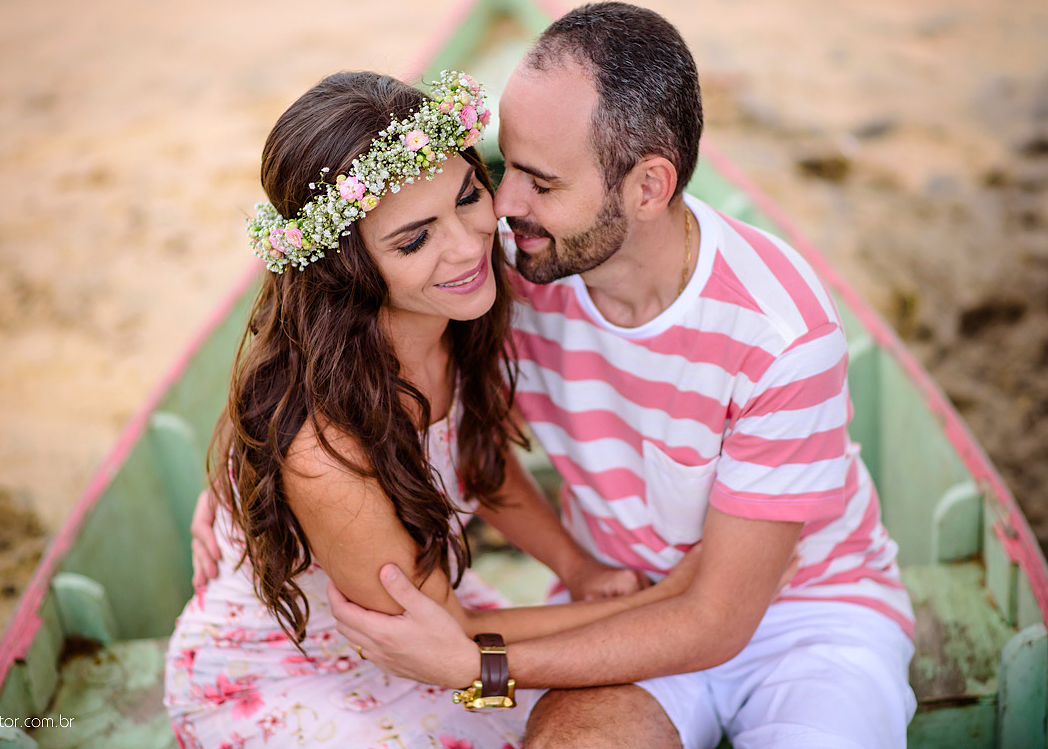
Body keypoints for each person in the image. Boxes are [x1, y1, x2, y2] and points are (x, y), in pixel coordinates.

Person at [321, 3, 919, 749]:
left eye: (540, 182)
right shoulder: (505, 272)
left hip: (811, 614)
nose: (502, 208)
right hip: (620, 603)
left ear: (647, 186)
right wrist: (232, 482)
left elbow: (715, 620)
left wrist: (480, 660)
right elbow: (342, 327)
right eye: (502, 168)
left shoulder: (780, 334)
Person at [164, 69, 697, 749]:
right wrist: (660, 605)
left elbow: (479, 460)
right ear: (346, 268)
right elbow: (442, 635)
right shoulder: (326, 449)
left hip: (441, 625)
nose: (470, 245)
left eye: (469, 197)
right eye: (414, 239)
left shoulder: (457, 307)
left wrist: (580, 569)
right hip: (315, 662)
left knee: (599, 705)